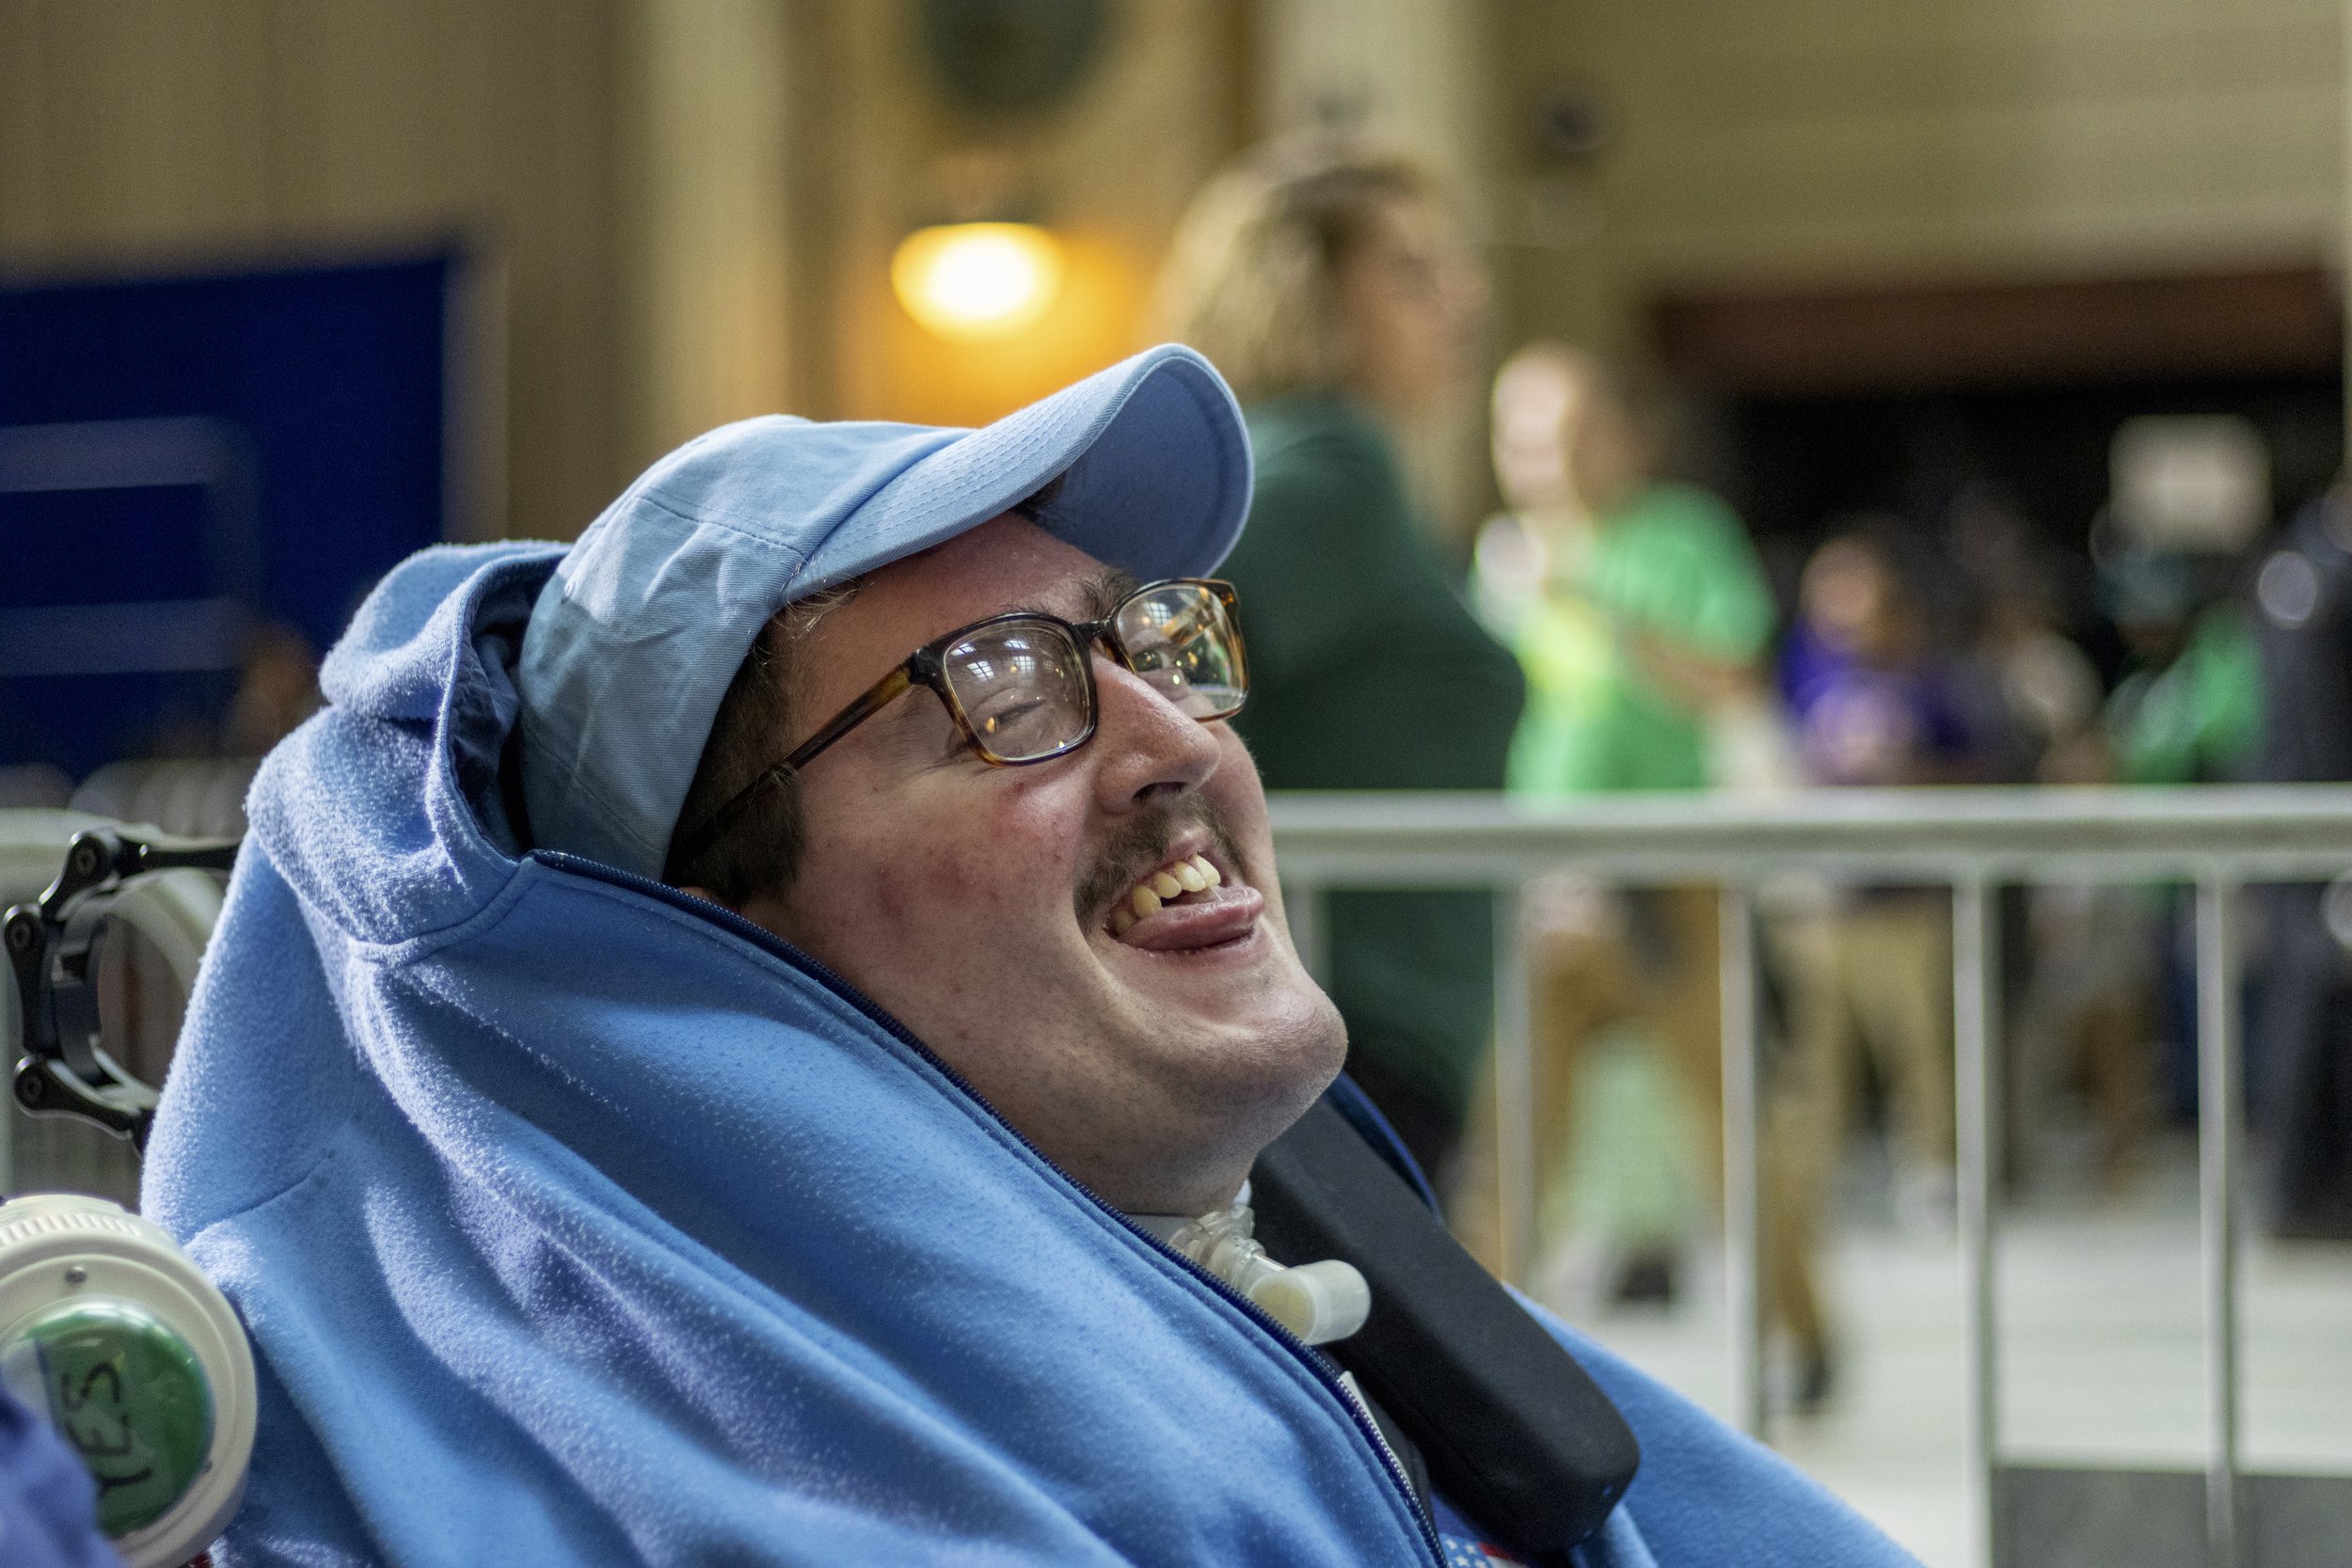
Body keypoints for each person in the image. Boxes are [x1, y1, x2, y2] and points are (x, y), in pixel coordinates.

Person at [140, 346, 1915, 1566]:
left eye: (1151, 644)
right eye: (1001, 690)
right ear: (718, 934)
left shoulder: (1277, 1272)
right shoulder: (800, 1483)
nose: (1179, 741)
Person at [1154, 140, 1525, 1192]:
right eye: (1411, 273)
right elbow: (1140, 666)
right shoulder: (1330, 471)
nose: (1461, 299)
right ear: (1306, 292)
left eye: (1455, 267)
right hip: (1340, 1030)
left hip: (1354, 1021)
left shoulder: (1323, 465)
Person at [1479, 344, 1784, 1321]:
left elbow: (1732, 677)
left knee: (1730, 1111)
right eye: (1519, 439)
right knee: (1515, 1128)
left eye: (1566, 434)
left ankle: (1798, 1324)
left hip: (1669, 870)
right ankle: (1479, 1356)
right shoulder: (1497, 553)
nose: (1543, 461)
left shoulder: (1681, 535)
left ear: (1622, 435)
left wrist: (1594, 603)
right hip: (1539, 870)